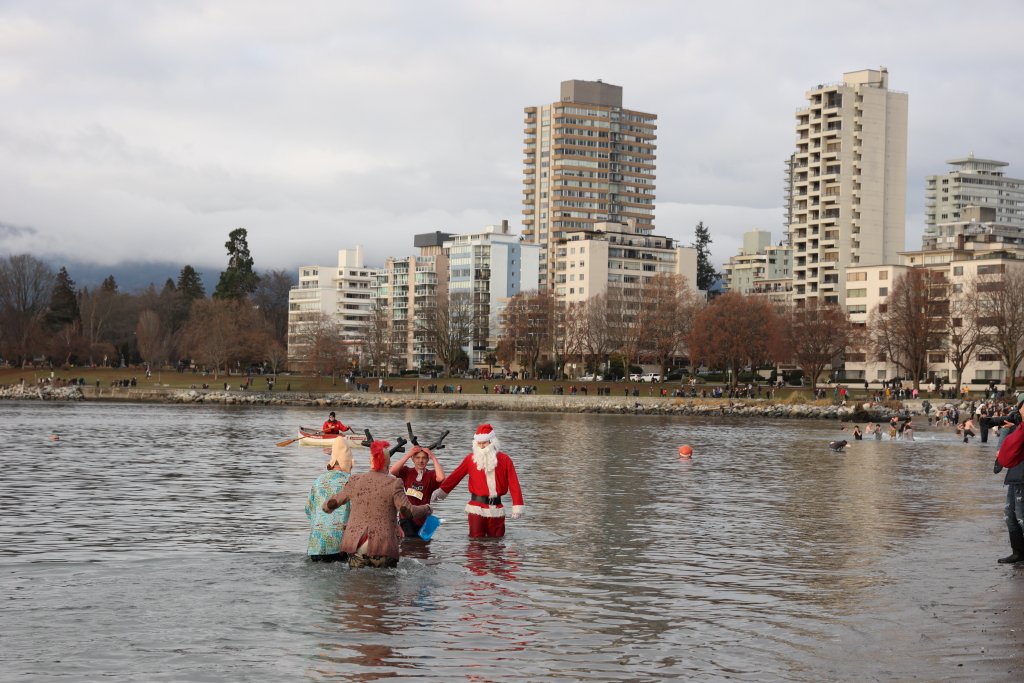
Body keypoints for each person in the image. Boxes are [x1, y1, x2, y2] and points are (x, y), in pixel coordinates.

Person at [322, 440, 431, 568]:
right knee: (385, 583)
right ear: (388, 463)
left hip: (356, 543)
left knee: (354, 585)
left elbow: (328, 506)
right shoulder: (394, 483)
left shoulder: (355, 480)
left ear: (371, 462)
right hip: (383, 544)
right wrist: (427, 509)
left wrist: (327, 506)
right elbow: (408, 511)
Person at [433, 424, 524, 538]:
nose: (481, 446)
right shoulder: (470, 459)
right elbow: (456, 476)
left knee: (497, 544)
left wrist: (517, 505)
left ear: (492, 442)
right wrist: (440, 491)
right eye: (479, 443)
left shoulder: (505, 460)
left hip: (497, 509)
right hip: (476, 508)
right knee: (475, 544)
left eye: (484, 443)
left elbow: (514, 483)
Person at [305, 437, 354, 562]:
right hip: (340, 546)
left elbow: (308, 511)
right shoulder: (352, 482)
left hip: (315, 546)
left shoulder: (317, 481)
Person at [390, 444, 445, 540]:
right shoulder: (407, 471)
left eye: (424, 458)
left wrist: (433, 457)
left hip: (423, 517)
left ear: (428, 460)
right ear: (413, 459)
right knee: (409, 542)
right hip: (406, 516)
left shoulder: (431, 475)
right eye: (417, 458)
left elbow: (441, 478)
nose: (421, 461)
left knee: (423, 547)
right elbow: (393, 471)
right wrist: (408, 455)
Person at [994, 402, 1024, 563]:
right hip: (1015, 474)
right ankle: (1018, 552)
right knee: (1009, 514)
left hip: (1021, 476)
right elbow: (1000, 453)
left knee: (1022, 517)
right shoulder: (1018, 428)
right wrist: (1008, 429)